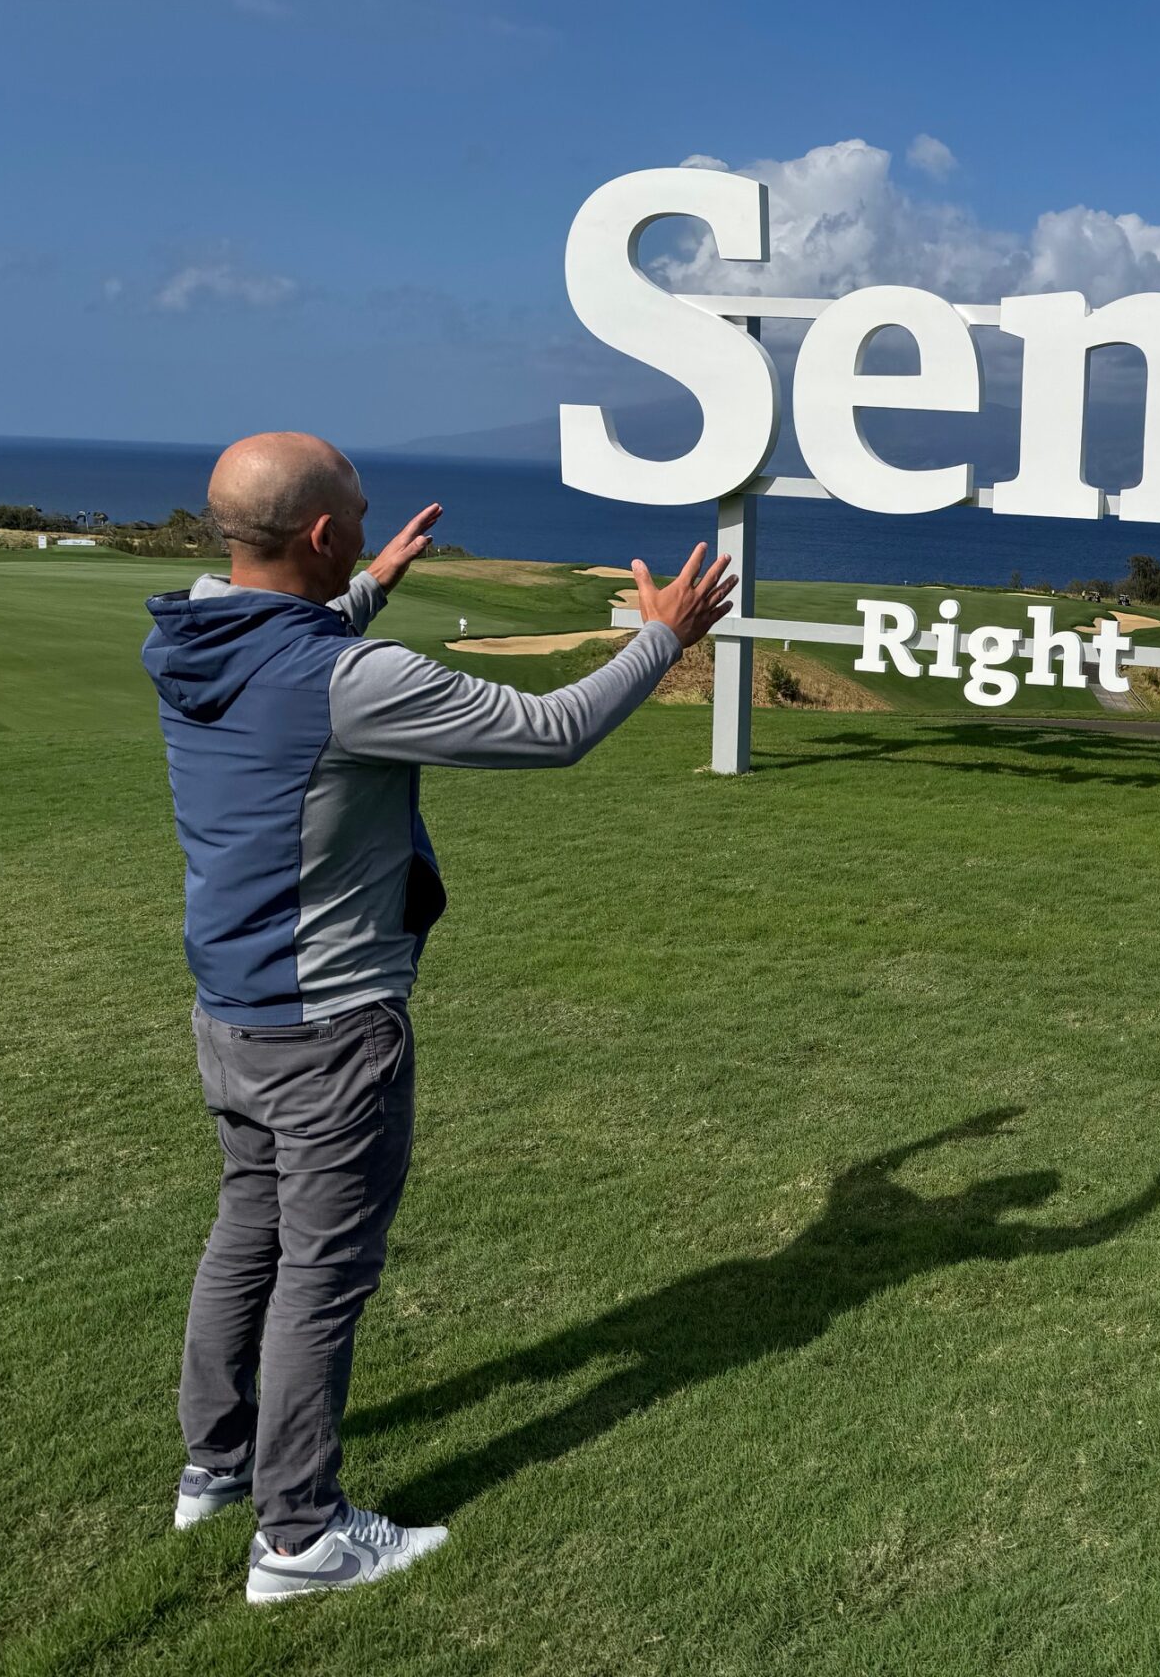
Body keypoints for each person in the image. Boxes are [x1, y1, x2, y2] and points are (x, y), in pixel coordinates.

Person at [140, 431, 733, 1604]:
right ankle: (299, 1536)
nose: (366, 524)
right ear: (322, 534)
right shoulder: (356, 681)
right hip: (331, 1031)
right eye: (356, 515)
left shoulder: (188, 637)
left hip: (232, 1017)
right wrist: (662, 636)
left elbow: (295, 658)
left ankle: (214, 1468)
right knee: (322, 1273)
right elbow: (552, 731)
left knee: (245, 1234)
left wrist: (361, 594)